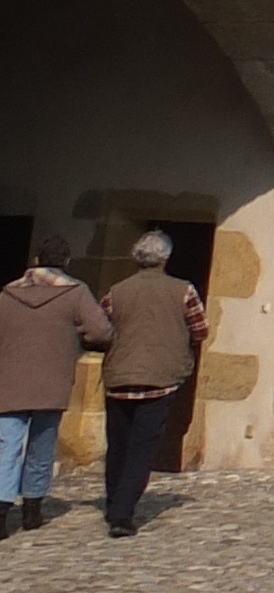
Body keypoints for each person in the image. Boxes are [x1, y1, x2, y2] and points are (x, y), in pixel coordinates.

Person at [95, 229, 204, 540]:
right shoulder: (183, 291)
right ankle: (121, 513)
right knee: (142, 448)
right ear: (165, 258)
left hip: (119, 376)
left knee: (118, 445)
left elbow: (102, 331)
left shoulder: (116, 292)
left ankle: (115, 500)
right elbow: (201, 329)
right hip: (160, 378)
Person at [0, 234, 111, 536]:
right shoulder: (75, 293)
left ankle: (1, 506)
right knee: (42, 444)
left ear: (36, 261)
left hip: (8, 379)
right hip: (53, 378)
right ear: (66, 262)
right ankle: (32, 508)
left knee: (6, 444)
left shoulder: (7, 294)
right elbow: (100, 331)